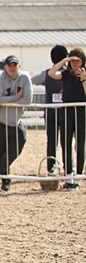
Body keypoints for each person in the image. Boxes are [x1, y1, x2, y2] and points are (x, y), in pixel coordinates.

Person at [0, 54, 32, 191]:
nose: (12, 68)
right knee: (1, 151)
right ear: (5, 67)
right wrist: (16, 97)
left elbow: (27, 100)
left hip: (15, 120)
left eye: (15, 65)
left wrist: (6, 101)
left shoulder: (24, 78)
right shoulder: (0, 79)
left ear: (19, 66)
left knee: (19, 143)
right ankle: (5, 181)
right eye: (10, 65)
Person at [48, 47, 86, 189]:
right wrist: (64, 60)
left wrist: (83, 79)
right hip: (67, 111)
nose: (75, 64)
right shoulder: (65, 74)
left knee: (81, 144)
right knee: (65, 143)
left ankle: (78, 178)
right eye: (73, 61)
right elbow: (52, 73)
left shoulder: (84, 74)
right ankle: (69, 175)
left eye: (78, 60)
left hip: (81, 112)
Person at [30, 45, 68, 176]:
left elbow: (32, 80)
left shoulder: (47, 73)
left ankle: (51, 167)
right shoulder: (67, 73)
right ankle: (67, 166)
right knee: (65, 141)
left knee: (51, 140)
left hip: (51, 110)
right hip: (64, 111)